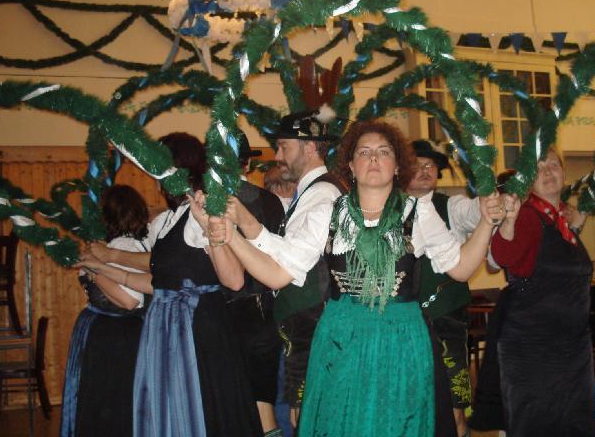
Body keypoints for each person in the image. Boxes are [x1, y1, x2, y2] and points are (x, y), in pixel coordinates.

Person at [208, 120, 504, 436]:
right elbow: (279, 274)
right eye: (364, 152)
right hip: (340, 341)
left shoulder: (417, 212)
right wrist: (232, 237)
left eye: (383, 151)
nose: (373, 158)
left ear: (397, 165)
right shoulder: (328, 212)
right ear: (350, 164)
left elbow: (460, 267)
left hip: (402, 341)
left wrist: (486, 223)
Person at [79, 132, 262, 437]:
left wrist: (209, 227)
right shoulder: (169, 219)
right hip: (167, 329)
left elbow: (234, 280)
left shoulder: (201, 214)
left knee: (202, 412)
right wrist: (102, 268)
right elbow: (160, 284)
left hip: (197, 332)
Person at [203, 107, 345, 429]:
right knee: (301, 418)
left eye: (283, 147)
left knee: (310, 420)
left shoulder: (322, 195)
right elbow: (284, 256)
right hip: (302, 330)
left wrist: (243, 223)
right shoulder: (309, 193)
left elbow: (284, 269)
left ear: (309, 148)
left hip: (315, 329)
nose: (277, 156)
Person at [491, 147, 595, 436]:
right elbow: (503, 255)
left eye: (553, 165)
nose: (548, 172)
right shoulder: (527, 216)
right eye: (538, 169)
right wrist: (509, 221)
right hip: (534, 351)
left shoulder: (562, 219)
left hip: (573, 349)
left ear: (564, 172)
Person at [61, 184, 150, 437]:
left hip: (116, 338)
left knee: (109, 405)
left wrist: (93, 270)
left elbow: (129, 301)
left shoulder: (124, 246)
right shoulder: (119, 245)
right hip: (107, 334)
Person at [407, 140, 481, 437]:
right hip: (404, 326)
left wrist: (490, 196)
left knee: (455, 407)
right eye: (416, 165)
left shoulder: (452, 206)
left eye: (430, 165)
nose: (425, 170)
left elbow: (477, 212)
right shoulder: (386, 210)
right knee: (411, 407)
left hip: (448, 324)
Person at [227, 132, 286, 436]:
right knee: (264, 407)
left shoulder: (208, 202)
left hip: (223, 314)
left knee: (228, 409)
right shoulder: (271, 201)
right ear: (247, 164)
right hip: (265, 312)